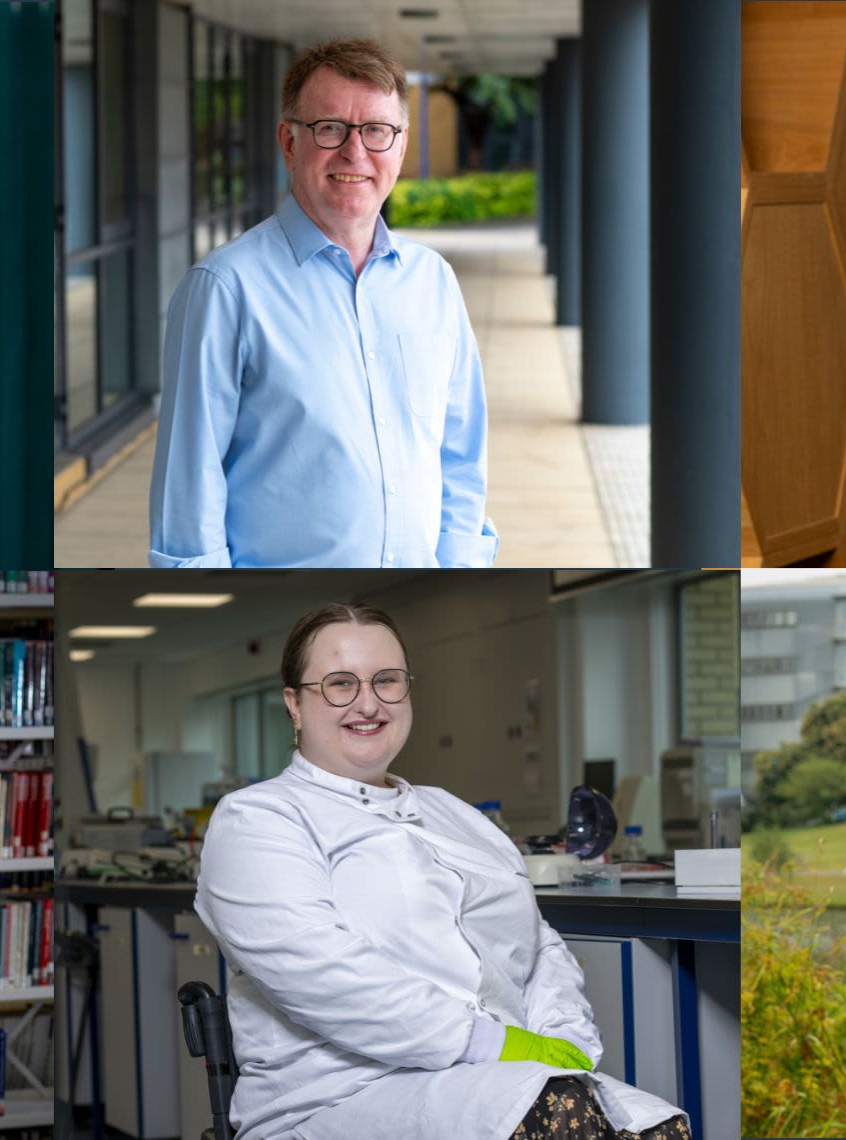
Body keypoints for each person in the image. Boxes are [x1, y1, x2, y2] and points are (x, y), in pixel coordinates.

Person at [195, 603, 685, 1140]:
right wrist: (490, 1044)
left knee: (653, 1127)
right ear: (294, 703)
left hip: (501, 1081)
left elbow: (538, 946)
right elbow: (324, 975)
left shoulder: (454, 813)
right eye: (339, 684)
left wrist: (563, 1039)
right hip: (337, 1096)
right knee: (560, 1114)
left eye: (388, 681)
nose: (369, 702)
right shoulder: (259, 818)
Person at [149, 39, 496, 569]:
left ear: (400, 147)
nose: (355, 153)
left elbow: (461, 456)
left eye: (377, 131)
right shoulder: (225, 288)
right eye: (330, 127)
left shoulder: (434, 283)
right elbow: (189, 489)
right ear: (289, 142)